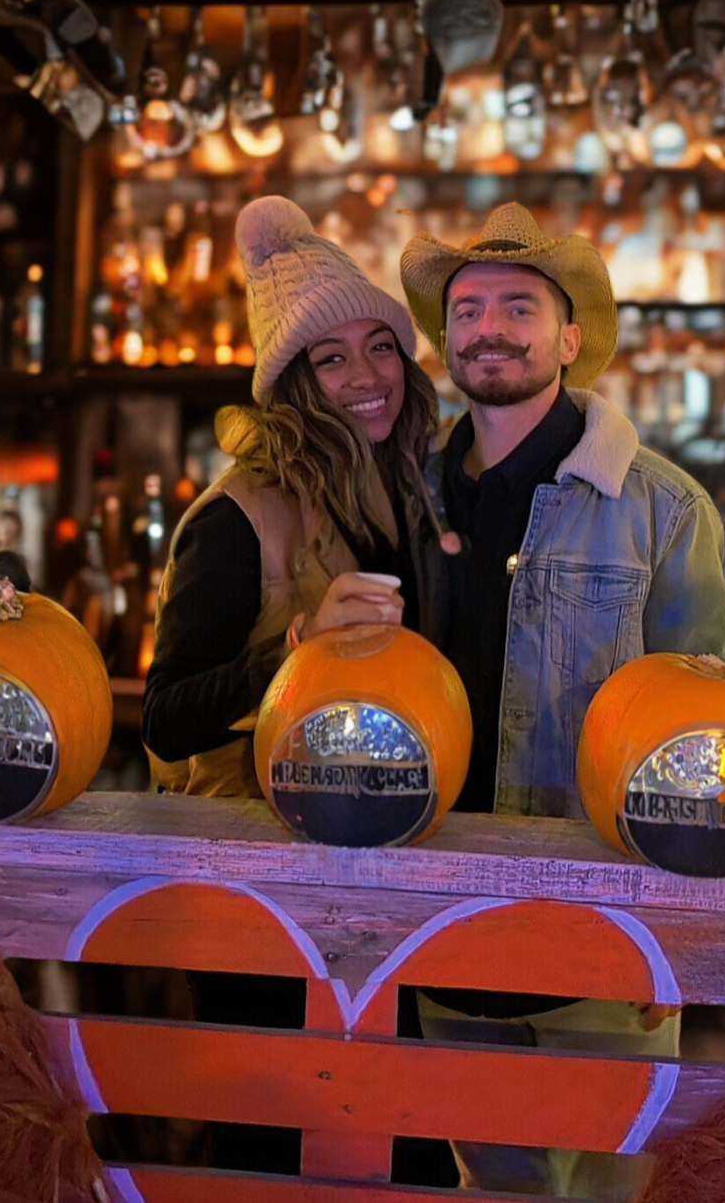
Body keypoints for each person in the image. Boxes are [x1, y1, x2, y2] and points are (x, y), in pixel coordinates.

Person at [400, 201, 725, 1201]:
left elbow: (703, 740)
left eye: (516, 307)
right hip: (445, 916)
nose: (487, 328)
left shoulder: (662, 507)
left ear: (570, 338)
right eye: (465, 311)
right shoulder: (403, 496)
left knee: (608, 1189)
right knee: (491, 1187)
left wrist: (676, 932)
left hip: (606, 929)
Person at [141, 193, 450, 1176]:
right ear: (293, 385)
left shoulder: (403, 491)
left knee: (391, 1154)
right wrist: (300, 646)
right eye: (332, 358)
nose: (366, 375)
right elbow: (168, 713)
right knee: (271, 1159)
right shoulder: (238, 517)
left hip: (376, 886)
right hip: (257, 900)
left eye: (381, 346)